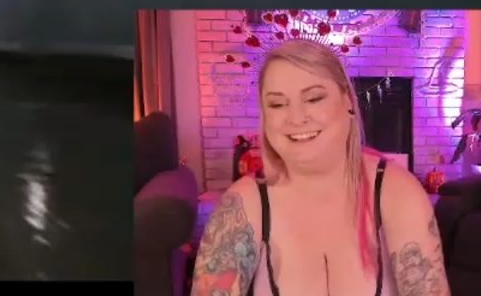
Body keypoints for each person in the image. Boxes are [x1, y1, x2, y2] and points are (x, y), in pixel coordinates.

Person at [192, 39, 449, 296]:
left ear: (347, 101)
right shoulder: (243, 204)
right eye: (277, 104)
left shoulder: (398, 192)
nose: (296, 118)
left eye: (314, 98)